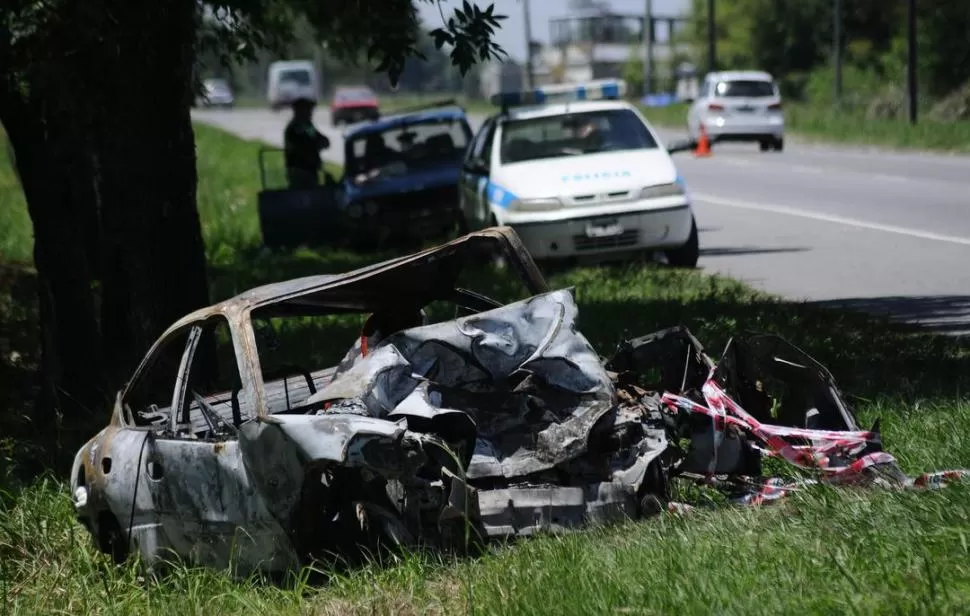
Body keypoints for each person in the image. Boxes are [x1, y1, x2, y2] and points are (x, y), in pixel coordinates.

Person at [283, 97, 331, 189]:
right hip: (299, 170)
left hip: (310, 169)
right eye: (308, 110)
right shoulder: (294, 128)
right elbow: (304, 144)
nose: (310, 113)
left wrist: (323, 141)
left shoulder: (307, 126)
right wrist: (317, 144)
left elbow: (317, 137)